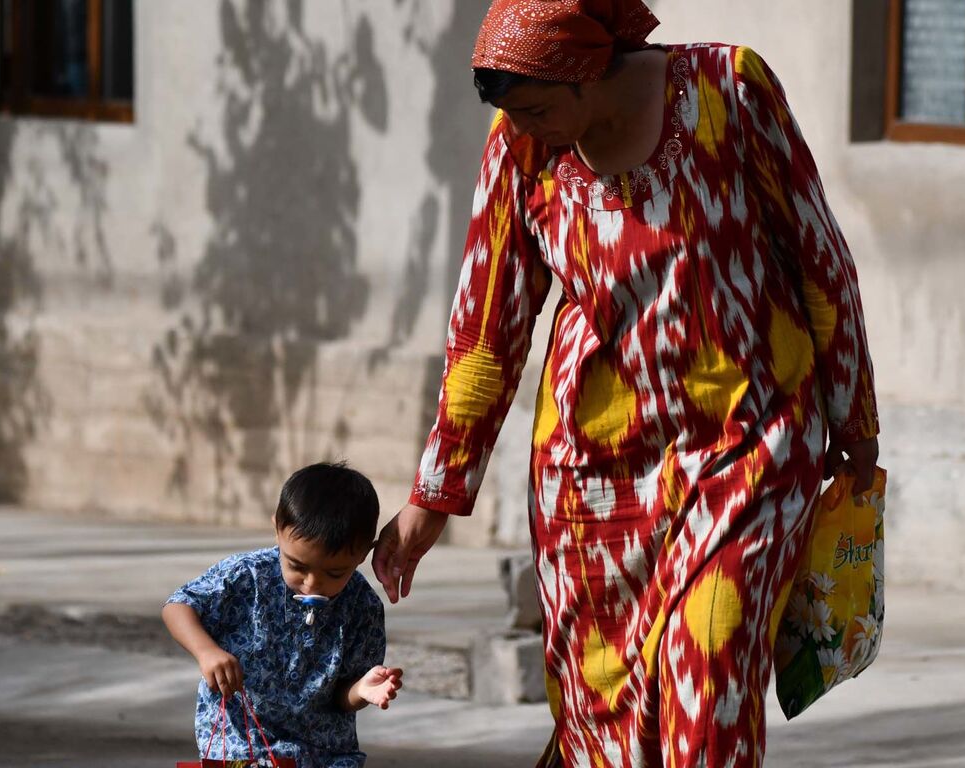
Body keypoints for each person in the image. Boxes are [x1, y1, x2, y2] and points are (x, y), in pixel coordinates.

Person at [371, 1, 881, 765]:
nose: (529, 127)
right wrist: (434, 493)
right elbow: (488, 324)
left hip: (751, 442)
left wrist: (854, 422)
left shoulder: (726, 91)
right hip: (591, 475)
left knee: (709, 669)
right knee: (603, 708)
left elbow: (820, 257)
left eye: (541, 107)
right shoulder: (521, 140)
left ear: (586, 71)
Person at [164, 462, 404, 767]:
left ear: (362, 555)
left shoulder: (363, 607)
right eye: (298, 566)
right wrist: (206, 651)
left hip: (323, 751)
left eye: (334, 572)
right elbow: (178, 606)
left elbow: (342, 697)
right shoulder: (246, 575)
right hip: (243, 743)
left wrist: (362, 690)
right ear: (278, 529)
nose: (312, 583)